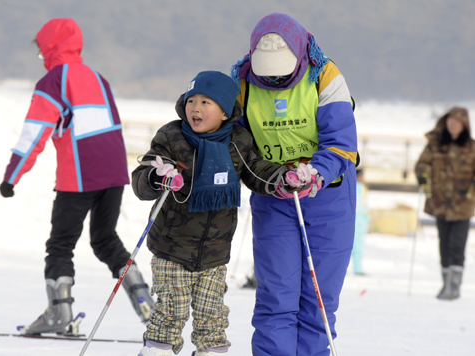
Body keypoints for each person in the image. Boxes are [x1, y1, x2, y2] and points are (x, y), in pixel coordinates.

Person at [131, 70, 316, 356]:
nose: (196, 108)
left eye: (207, 102)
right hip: (172, 248)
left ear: (225, 112)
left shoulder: (238, 141)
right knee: (170, 312)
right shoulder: (172, 136)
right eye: (192, 100)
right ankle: (157, 351)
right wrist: (158, 176)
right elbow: (143, 177)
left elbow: (259, 172)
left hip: (215, 253)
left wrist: (285, 178)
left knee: (212, 317)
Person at [0, 18, 153, 335]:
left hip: (79, 177)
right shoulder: (98, 78)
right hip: (113, 174)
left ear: (50, 48)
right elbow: (113, 128)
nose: (42, 58)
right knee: (105, 240)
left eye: (42, 51)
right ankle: (146, 306)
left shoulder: (54, 81)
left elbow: (35, 133)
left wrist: (11, 176)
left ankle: (59, 313)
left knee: (60, 245)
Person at [231, 13, 358, 355]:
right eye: (267, 69)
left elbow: (341, 143)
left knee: (318, 300)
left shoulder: (325, 76)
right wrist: (272, 179)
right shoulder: (241, 81)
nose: (273, 76)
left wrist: (315, 172)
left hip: (328, 197)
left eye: (281, 69)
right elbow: (237, 144)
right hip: (274, 195)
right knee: (276, 297)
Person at [415, 107, 475, 300]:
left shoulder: (472, 147)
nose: (452, 124)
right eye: (450, 121)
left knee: (458, 244)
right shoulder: (435, 145)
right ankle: (445, 284)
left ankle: (454, 286)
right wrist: (423, 178)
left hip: (462, 206)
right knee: (444, 245)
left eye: (456, 122)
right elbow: (422, 164)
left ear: (464, 125)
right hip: (440, 204)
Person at [352, 168, 370, 275]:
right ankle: (357, 269)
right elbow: (363, 205)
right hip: (358, 220)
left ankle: (355, 268)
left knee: (353, 246)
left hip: (358, 220)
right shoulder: (360, 188)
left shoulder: (360, 188)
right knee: (357, 246)